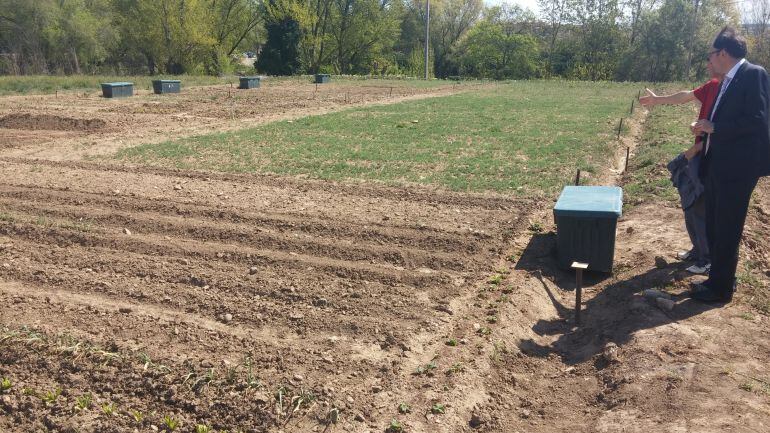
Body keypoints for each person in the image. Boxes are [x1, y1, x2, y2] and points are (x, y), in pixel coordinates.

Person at [690, 26, 770, 303]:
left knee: (727, 227)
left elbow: (757, 120)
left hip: (737, 169)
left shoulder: (753, 75)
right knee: (714, 224)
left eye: (712, 54)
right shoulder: (727, 80)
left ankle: (721, 290)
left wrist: (715, 126)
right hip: (718, 164)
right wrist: (706, 128)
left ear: (723, 53)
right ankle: (718, 279)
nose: (710, 59)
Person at [638, 63, 722, 275]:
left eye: (711, 59)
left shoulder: (732, 91)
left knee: (701, 207)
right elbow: (686, 96)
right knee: (691, 203)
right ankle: (697, 250)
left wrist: (702, 144)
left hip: (712, 157)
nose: (708, 64)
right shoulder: (712, 85)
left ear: (724, 58)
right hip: (698, 153)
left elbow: (732, 128)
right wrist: (659, 100)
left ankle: (707, 259)